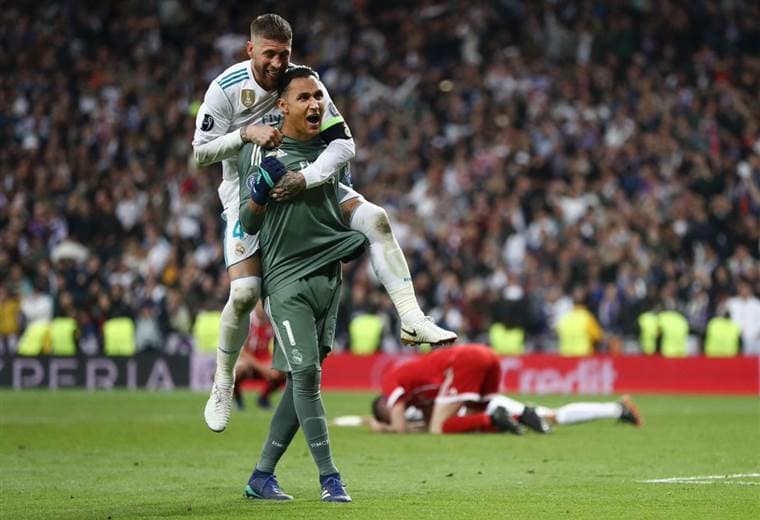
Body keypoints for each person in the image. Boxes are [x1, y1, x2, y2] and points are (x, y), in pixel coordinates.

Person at [194, 13, 455, 434]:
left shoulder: (303, 84)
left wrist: (308, 177)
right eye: (269, 55)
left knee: (377, 218)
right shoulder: (225, 91)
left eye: (284, 54)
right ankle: (224, 380)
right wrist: (246, 135)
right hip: (245, 190)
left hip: (313, 183)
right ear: (250, 51)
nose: (277, 63)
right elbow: (201, 153)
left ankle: (411, 316)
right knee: (244, 293)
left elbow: (344, 142)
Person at [236, 66, 368, 502]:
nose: (314, 104)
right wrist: (258, 192)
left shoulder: (333, 151)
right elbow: (246, 222)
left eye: (318, 97)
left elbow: (347, 202)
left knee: (300, 379)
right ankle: (330, 479)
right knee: (307, 375)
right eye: (304, 98)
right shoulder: (262, 153)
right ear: (283, 106)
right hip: (286, 279)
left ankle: (261, 475)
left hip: (330, 277)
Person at [369, 343, 526, 435]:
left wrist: (383, 427)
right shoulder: (417, 397)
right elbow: (428, 421)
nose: (399, 414)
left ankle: (493, 417)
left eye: (389, 415)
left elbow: (400, 428)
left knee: (438, 428)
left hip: (463, 361)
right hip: (486, 354)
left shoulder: (389, 384)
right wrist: (417, 426)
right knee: (471, 422)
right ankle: (522, 417)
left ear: (385, 403)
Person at [232, 302, 285, 410]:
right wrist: (262, 368)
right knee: (237, 370)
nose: (263, 308)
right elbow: (242, 351)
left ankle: (263, 398)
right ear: (255, 303)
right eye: (261, 304)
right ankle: (237, 400)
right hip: (247, 360)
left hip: (264, 359)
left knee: (284, 370)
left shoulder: (273, 320)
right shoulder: (246, 320)